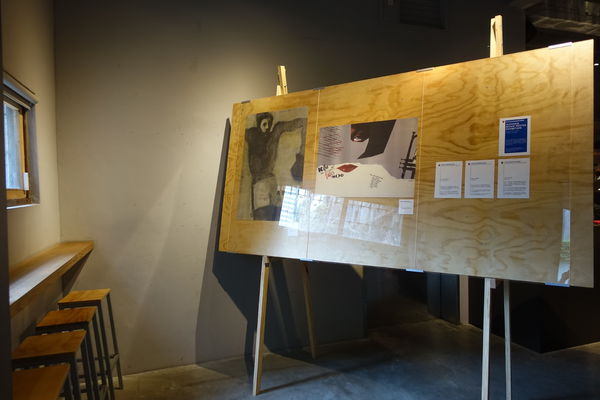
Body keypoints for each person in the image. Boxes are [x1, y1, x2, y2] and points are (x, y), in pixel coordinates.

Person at [245, 112, 307, 221]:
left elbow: (302, 121)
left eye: (269, 124)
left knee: (273, 217)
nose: (267, 127)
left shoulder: (274, 133)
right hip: (260, 183)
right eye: (264, 124)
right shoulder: (252, 134)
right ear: (259, 123)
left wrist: (301, 153)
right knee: (263, 217)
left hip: (270, 181)